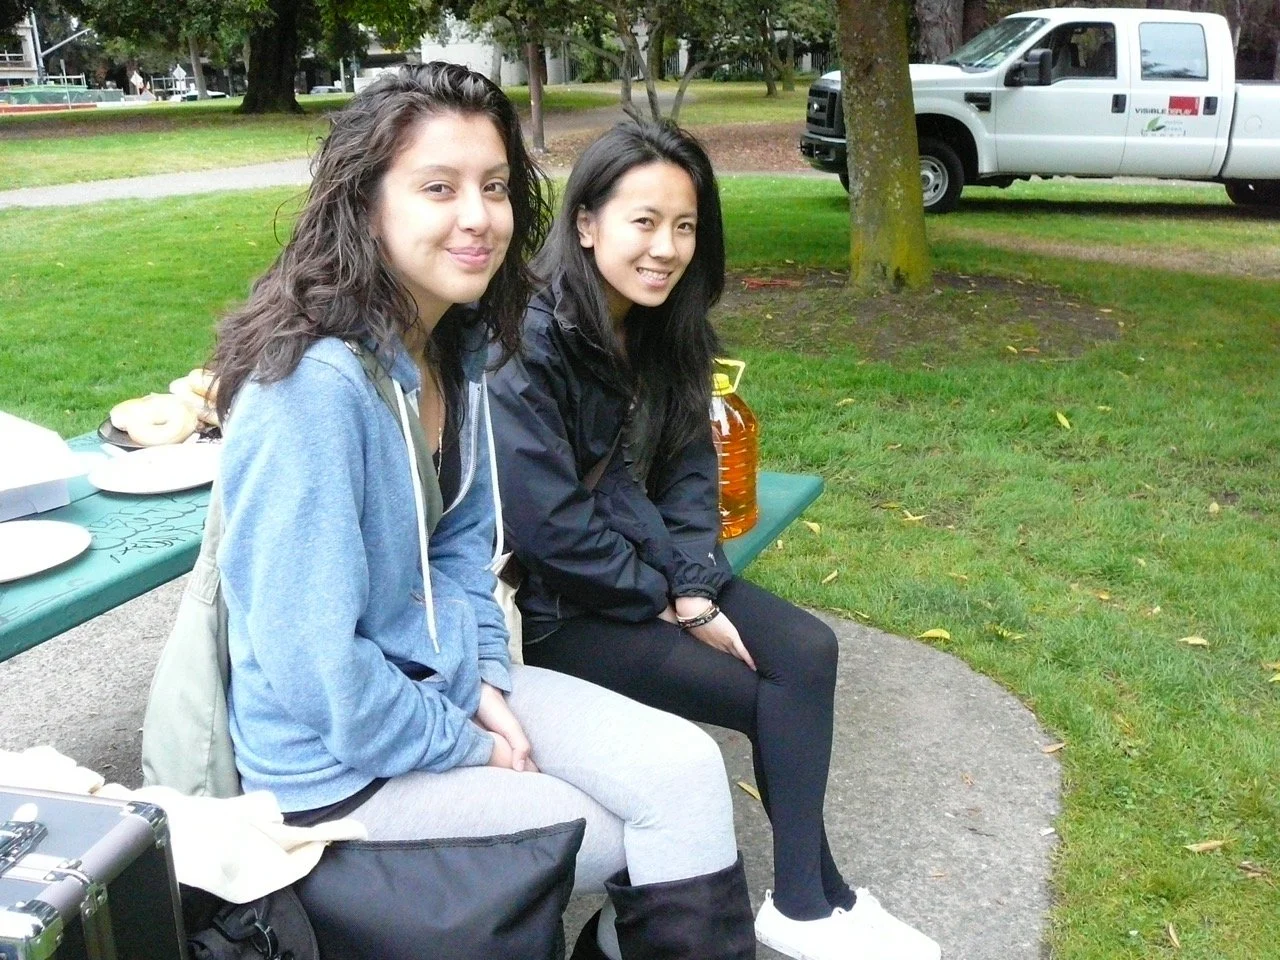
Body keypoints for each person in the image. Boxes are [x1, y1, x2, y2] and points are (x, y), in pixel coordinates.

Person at [210, 66, 754, 960]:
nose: (479, 216)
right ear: (365, 204)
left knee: (687, 771)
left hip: (441, 680)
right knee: (621, 835)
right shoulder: (310, 392)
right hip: (337, 768)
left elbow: (465, 551)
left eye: (495, 186)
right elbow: (319, 675)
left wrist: (487, 683)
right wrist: (461, 740)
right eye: (439, 187)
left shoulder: (454, 349)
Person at [488, 121, 943, 960]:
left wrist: (695, 585)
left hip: (655, 566)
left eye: (686, 226)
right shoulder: (527, 339)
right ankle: (811, 902)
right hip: (564, 609)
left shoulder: (665, 325)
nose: (666, 248)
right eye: (644, 221)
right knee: (767, 696)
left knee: (807, 652)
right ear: (586, 222)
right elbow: (551, 528)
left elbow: (693, 473)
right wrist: (665, 601)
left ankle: (812, 899)